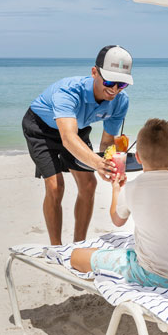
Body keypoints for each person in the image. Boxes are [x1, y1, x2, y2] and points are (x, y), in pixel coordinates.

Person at [70, 118, 168, 288]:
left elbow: (117, 220)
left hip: (153, 275)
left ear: (137, 157)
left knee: (76, 256)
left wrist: (116, 189)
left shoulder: (133, 187)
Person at [22, 45, 133, 244]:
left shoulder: (120, 101)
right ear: (94, 72)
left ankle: (78, 245)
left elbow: (107, 142)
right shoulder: (68, 91)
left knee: (89, 185)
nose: (114, 89)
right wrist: (98, 164)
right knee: (56, 186)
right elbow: (68, 138)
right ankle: (56, 247)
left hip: (78, 129)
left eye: (122, 84)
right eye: (109, 81)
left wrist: (110, 163)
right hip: (41, 129)